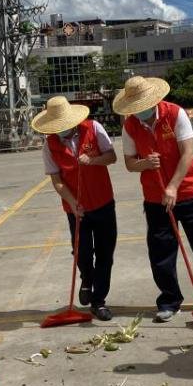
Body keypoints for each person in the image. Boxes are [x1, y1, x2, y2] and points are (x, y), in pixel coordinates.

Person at [114, 75, 193, 323]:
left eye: (142, 107)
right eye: (135, 109)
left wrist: (174, 186)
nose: (140, 113)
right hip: (155, 198)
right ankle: (169, 299)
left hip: (189, 192)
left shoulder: (175, 114)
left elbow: (187, 153)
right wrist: (144, 163)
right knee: (161, 251)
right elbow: (129, 163)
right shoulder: (130, 126)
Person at [31, 96, 118, 321]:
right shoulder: (50, 145)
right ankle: (87, 279)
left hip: (103, 202)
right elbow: (57, 180)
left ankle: (99, 301)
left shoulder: (93, 128)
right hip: (76, 209)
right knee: (82, 251)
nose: (61, 130)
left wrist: (93, 159)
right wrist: (72, 202)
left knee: (105, 253)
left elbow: (112, 157)